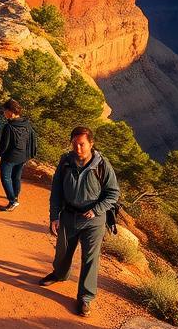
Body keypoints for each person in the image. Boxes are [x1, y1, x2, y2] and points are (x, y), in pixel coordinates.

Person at [38, 126, 120, 317]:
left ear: (91, 144)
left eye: (82, 144)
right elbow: (56, 190)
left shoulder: (102, 165)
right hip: (68, 215)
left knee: (90, 259)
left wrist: (97, 210)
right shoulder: (66, 162)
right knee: (63, 251)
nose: (78, 148)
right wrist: (54, 216)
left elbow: (113, 193)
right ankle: (60, 274)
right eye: (74, 144)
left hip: (93, 220)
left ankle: (85, 297)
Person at [0, 99, 37, 211]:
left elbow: (4, 144)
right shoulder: (26, 124)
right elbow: (30, 139)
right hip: (23, 156)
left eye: (5, 111)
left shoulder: (9, 127)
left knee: (5, 178)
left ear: (11, 112)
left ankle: (12, 201)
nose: (4, 113)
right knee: (16, 177)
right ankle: (15, 196)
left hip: (10, 157)